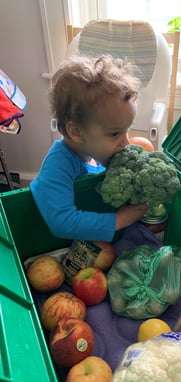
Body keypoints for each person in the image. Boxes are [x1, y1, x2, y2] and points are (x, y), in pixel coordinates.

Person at [30, 55, 148, 242]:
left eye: (127, 130)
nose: (126, 142)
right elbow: (62, 222)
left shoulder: (100, 153)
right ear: (76, 132)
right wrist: (120, 219)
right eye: (115, 133)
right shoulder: (57, 166)